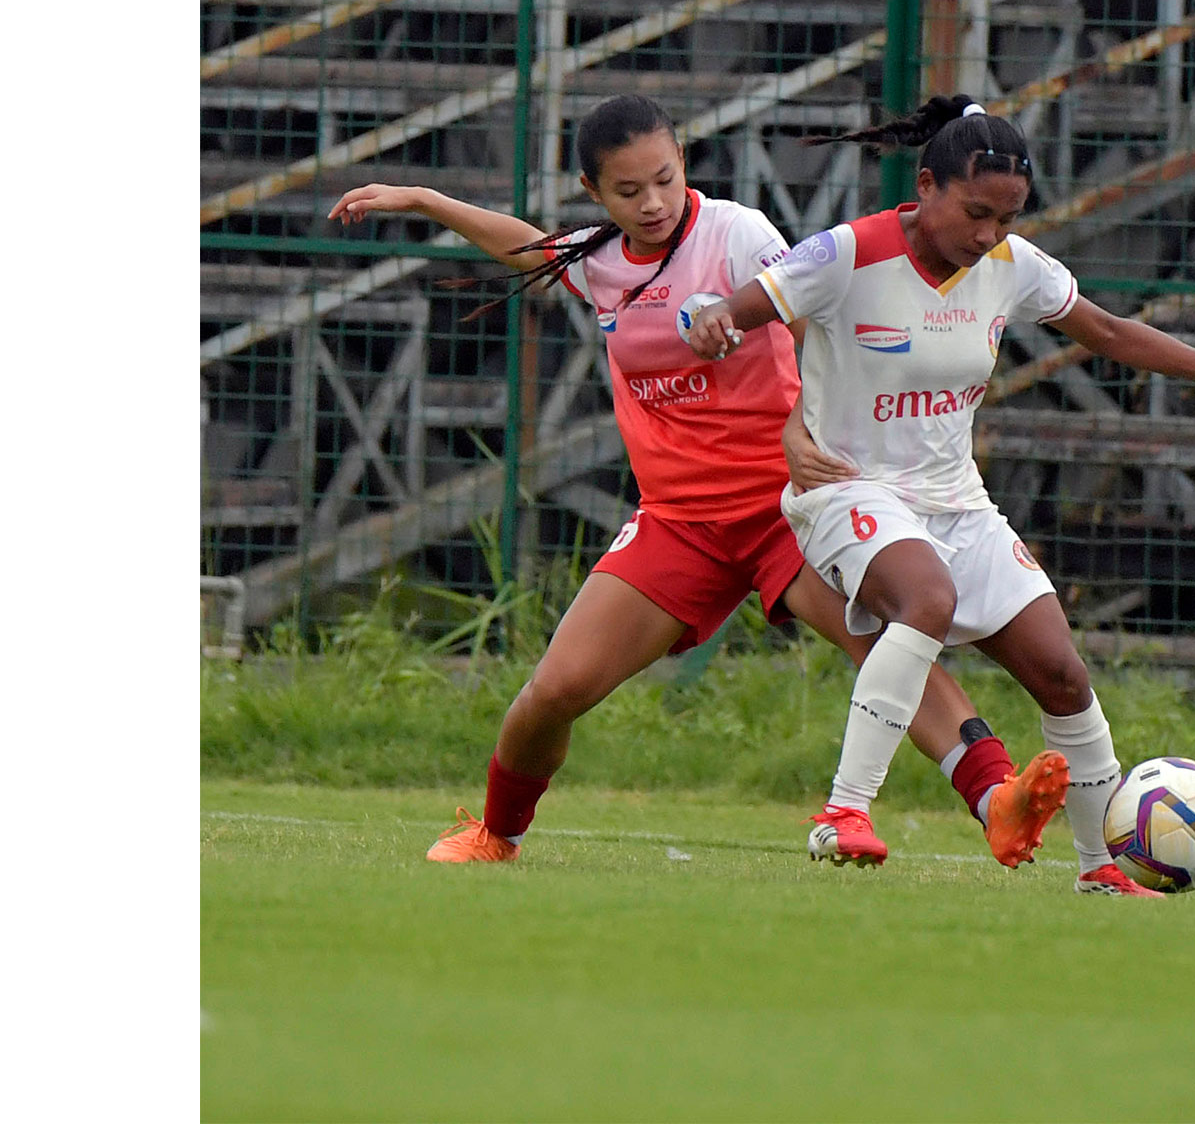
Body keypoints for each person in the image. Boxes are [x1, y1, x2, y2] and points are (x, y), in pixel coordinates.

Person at [327, 94, 1072, 869]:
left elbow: (814, 315)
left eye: (664, 178)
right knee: (553, 691)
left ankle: (998, 799)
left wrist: (795, 427)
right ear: (593, 192)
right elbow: (530, 249)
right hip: (679, 522)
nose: (651, 203)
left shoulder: (736, 232)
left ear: (683, 162)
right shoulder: (602, 262)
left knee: (887, 643)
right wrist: (424, 200)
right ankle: (496, 833)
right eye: (627, 190)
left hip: (787, 506)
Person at [684, 93, 1195, 895]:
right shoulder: (847, 253)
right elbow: (730, 311)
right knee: (926, 599)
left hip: (957, 503)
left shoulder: (1011, 267)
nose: (987, 237)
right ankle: (844, 812)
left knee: (1062, 672)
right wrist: (709, 323)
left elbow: (1108, 332)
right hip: (845, 492)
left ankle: (1099, 866)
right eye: (975, 213)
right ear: (928, 185)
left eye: (1005, 220)